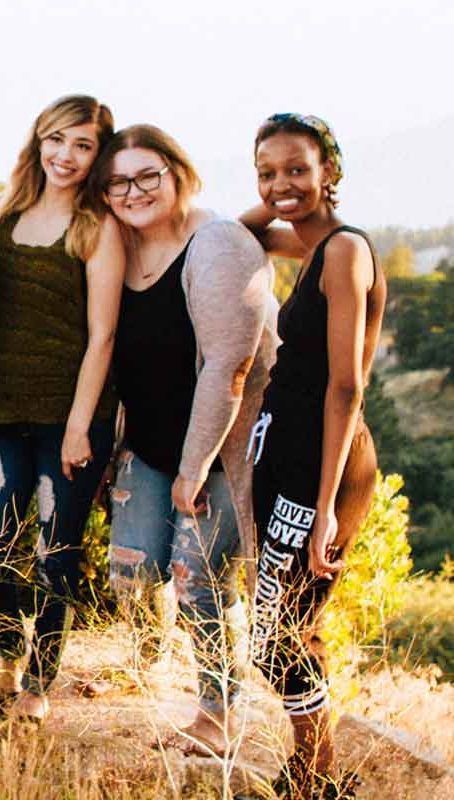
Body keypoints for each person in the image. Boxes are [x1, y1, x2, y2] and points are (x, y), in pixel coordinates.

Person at [95, 124, 276, 757]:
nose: (133, 191)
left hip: (219, 452)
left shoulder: (217, 244)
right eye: (118, 182)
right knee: (133, 569)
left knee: (197, 575)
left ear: (177, 171)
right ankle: (157, 670)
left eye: (148, 175)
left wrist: (194, 468)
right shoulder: (121, 243)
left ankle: (219, 714)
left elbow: (231, 365)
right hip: (147, 446)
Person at [240, 114, 383, 800]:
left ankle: (319, 778)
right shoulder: (313, 244)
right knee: (278, 623)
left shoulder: (347, 251)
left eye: (297, 169)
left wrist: (325, 507)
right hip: (286, 454)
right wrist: (276, 202)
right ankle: (312, 772)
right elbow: (235, 236)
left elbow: (347, 384)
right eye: (266, 172)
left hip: (318, 464)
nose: (281, 185)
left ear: (330, 169)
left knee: (279, 629)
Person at [0, 95, 125, 723]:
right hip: (2, 410)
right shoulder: (5, 213)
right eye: (56, 139)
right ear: (38, 141)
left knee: (53, 551)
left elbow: (103, 337)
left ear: (98, 155)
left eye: (83, 145)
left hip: (70, 416)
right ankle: (8, 660)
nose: (66, 155)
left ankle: (38, 682)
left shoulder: (99, 227)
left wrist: (80, 427)